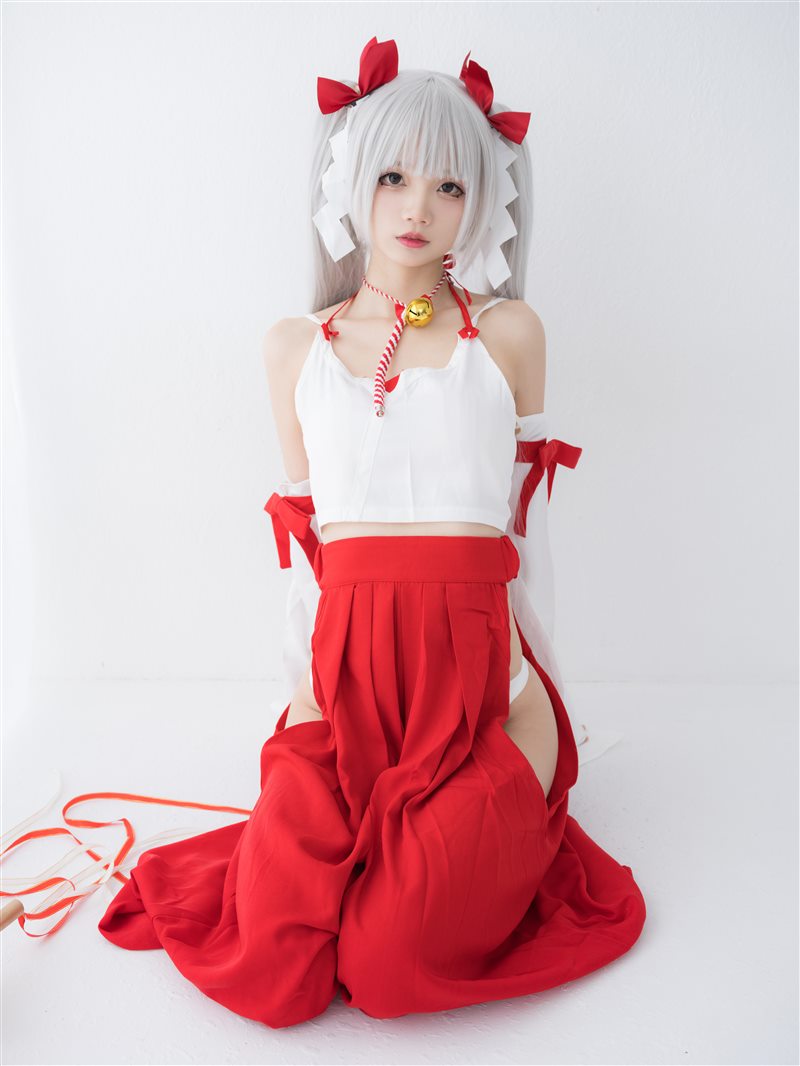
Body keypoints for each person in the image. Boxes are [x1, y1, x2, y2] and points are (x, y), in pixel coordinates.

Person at [14, 38, 647, 1027]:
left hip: (481, 696)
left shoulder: (508, 333)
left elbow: (527, 539)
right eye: (392, 176)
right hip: (345, 689)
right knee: (280, 972)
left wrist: (534, 694)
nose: (416, 207)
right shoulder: (293, 348)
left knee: (390, 966)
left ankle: (449, 835)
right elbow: (310, 553)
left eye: (448, 185)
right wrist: (306, 704)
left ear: (480, 202)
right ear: (349, 178)